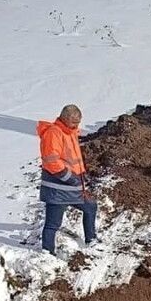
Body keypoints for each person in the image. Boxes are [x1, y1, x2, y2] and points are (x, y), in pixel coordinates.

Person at [37, 104, 98, 255]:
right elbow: (51, 161)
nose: (77, 125)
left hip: (72, 188)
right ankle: (47, 252)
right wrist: (70, 178)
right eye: (74, 122)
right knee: (52, 224)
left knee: (90, 207)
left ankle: (91, 239)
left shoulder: (70, 132)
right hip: (58, 189)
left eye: (78, 122)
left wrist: (78, 181)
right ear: (64, 119)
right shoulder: (53, 133)